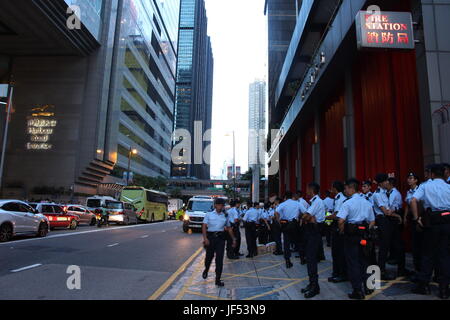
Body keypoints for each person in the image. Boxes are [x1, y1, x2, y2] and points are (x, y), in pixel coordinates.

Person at [411, 164, 450, 299]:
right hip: (447, 221)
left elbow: (413, 200)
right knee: (445, 255)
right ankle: (444, 289)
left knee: (428, 254)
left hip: (432, 222)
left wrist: (417, 219)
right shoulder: (448, 186)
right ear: (443, 173)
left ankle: (424, 285)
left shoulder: (426, 185)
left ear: (432, 174)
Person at [337, 178, 376, 300]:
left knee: (353, 262)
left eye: (346, 188)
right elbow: (372, 221)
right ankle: (368, 286)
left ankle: (357, 290)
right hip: (363, 236)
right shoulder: (367, 202)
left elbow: (341, 221)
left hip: (351, 237)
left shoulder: (347, 203)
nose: (345, 190)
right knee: (364, 260)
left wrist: (342, 231)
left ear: (351, 188)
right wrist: (365, 231)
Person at [373, 173, 405, 280]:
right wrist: (397, 216)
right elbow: (385, 211)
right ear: (381, 183)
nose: (388, 182)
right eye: (386, 181)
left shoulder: (386, 192)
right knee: (384, 246)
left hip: (390, 220)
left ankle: (402, 269)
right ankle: (381, 271)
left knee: (398, 245)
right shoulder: (377, 194)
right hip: (383, 221)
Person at [202, 197, 236, 287]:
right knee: (209, 257)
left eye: (222, 205)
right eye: (219, 205)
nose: (221, 207)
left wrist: (233, 239)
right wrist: (205, 238)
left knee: (219, 259)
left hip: (220, 239)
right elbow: (204, 226)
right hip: (210, 238)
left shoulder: (225, 215)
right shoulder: (209, 214)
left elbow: (228, 228)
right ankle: (206, 269)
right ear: (215, 205)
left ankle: (217, 279)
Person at [300, 182, 325, 298]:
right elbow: (307, 217)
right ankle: (312, 284)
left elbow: (305, 216)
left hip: (314, 232)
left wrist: (307, 218)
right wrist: (308, 218)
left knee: (311, 259)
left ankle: (315, 287)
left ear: (311, 189)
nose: (306, 191)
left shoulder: (317, 201)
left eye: (307, 188)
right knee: (309, 259)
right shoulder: (314, 202)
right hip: (311, 231)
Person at [275, 191, 307, 269]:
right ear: (292, 195)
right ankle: (302, 259)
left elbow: (276, 212)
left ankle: (288, 261)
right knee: (299, 241)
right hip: (295, 223)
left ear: (285, 196)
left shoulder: (283, 204)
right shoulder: (297, 203)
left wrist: (278, 221)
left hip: (285, 224)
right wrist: (301, 219)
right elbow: (305, 212)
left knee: (286, 243)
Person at [327, 181, 348, 283]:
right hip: (337, 225)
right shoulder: (338, 198)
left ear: (335, 188)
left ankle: (341, 274)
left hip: (339, 226)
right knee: (336, 251)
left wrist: (325, 217)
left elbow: (337, 215)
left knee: (338, 251)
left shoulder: (340, 199)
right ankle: (337, 272)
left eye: (332, 187)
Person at [404, 172, 422, 274]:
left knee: (420, 244)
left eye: (411, 178)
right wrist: (405, 217)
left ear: (416, 180)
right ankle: (417, 268)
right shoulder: (409, 192)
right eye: (408, 178)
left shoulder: (420, 190)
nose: (409, 180)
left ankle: (421, 269)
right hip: (412, 219)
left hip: (419, 218)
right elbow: (407, 205)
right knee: (414, 244)